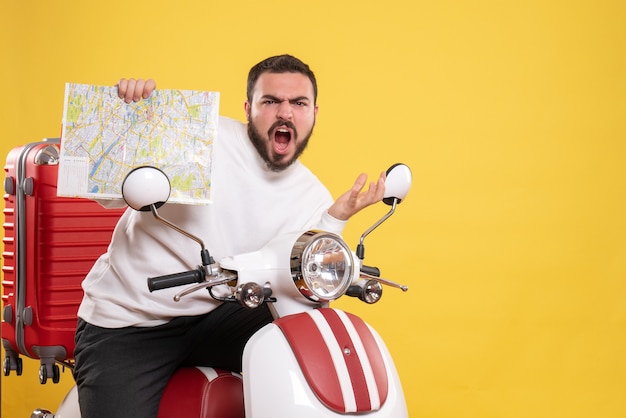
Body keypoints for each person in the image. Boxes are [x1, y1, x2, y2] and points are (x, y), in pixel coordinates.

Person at [72, 54, 386, 418]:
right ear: (249, 107)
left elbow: (299, 271)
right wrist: (126, 121)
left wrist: (335, 219)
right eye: (271, 101)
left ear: (314, 112)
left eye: (298, 103)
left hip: (217, 317)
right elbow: (106, 194)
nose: (285, 113)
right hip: (132, 322)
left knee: (308, 330)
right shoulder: (198, 139)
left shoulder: (312, 195)